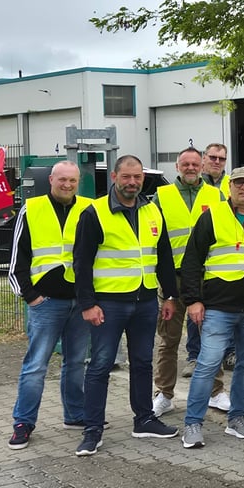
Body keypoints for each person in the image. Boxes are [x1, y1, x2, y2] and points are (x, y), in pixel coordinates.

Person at [72, 155, 181, 456]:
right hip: (108, 304)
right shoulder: (95, 213)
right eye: (127, 177)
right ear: (114, 177)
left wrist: (169, 295)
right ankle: (93, 429)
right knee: (100, 366)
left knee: (143, 363)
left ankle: (144, 419)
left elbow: (164, 257)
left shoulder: (152, 210)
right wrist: (87, 304)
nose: (133, 182)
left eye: (138, 177)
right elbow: (81, 262)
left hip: (145, 301)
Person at [179, 166, 244, 449]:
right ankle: (192, 423)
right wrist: (193, 300)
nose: (243, 188)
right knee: (207, 364)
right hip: (218, 307)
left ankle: (237, 419)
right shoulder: (212, 216)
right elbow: (191, 261)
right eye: (238, 184)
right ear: (230, 188)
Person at [7, 161, 93, 449]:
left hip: (80, 302)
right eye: (62, 180)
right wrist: (30, 295)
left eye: (72, 180)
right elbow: (17, 259)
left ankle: (75, 414)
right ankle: (23, 422)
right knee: (35, 366)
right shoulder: (32, 208)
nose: (67, 185)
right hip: (46, 303)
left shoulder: (89, 208)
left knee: (76, 363)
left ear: (78, 182)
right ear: (52, 180)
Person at [151, 147, 229, 419]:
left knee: (212, 337)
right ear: (177, 166)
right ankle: (164, 394)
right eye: (186, 164)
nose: (191, 168)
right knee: (168, 339)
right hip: (172, 279)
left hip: (205, 278)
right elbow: (156, 239)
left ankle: (216, 391)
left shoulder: (216, 195)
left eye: (195, 163)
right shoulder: (161, 196)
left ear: (203, 165)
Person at [190, 142, 234, 372]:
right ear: (204, 158)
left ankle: (228, 352)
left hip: (221, 258)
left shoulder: (231, 183)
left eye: (222, 159)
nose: (217, 162)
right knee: (195, 309)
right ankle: (193, 354)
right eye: (213, 157)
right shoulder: (196, 183)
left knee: (224, 309)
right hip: (195, 257)